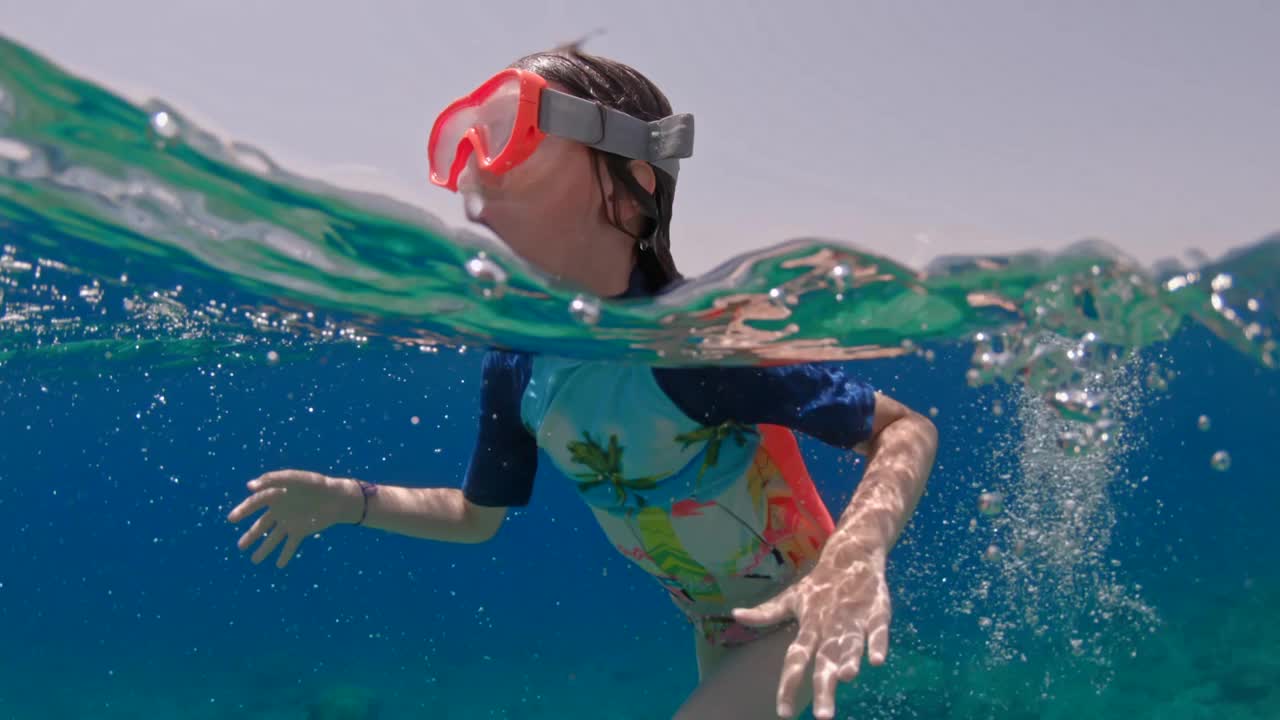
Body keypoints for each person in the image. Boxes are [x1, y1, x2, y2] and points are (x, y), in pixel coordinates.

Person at [227, 46, 938, 720]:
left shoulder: (695, 350)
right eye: (465, 142)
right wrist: (350, 500)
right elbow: (476, 519)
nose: (479, 166)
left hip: (818, 607)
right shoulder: (518, 367)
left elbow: (905, 429)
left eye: (511, 131)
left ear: (634, 193)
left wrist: (855, 555)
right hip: (721, 633)